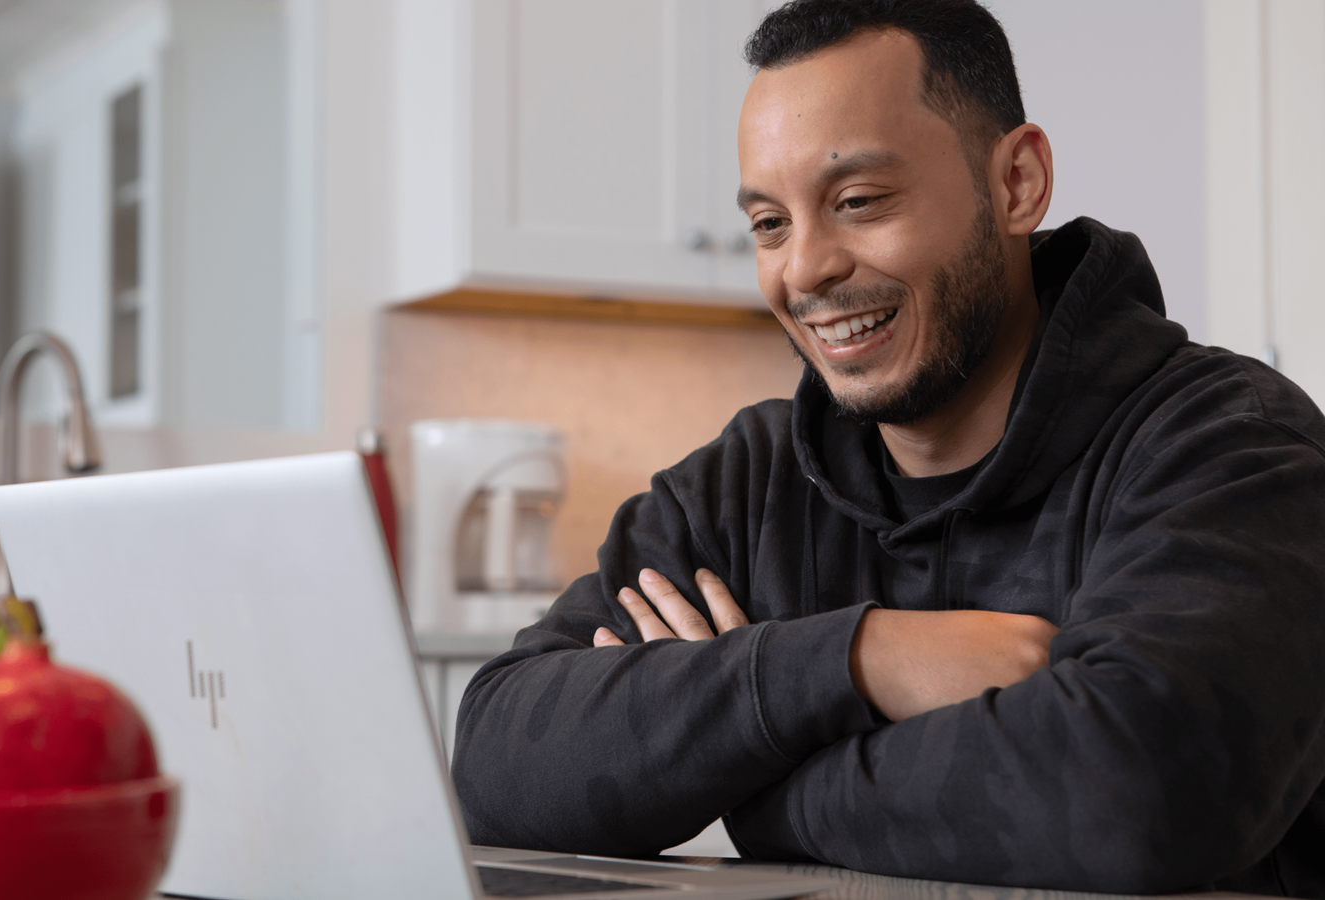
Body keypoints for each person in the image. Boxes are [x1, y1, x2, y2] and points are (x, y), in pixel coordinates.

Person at [448, 1, 1325, 896]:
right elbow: (494, 764)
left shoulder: (1233, 445)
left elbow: (1137, 796)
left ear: (1017, 183)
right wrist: (858, 659)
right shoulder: (747, 482)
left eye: (858, 202)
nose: (805, 269)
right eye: (770, 224)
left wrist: (753, 780)